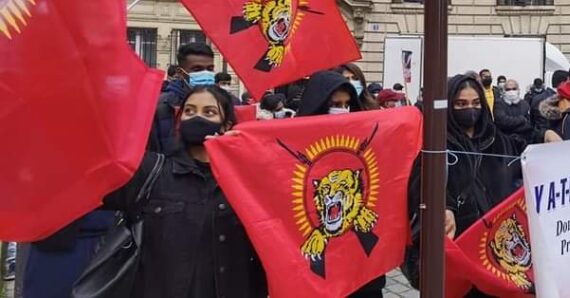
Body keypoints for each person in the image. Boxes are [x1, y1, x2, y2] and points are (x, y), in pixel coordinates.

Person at [100, 86, 267, 297]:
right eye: (189, 111)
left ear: (226, 125)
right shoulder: (151, 171)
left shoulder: (245, 181)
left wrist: (248, 156)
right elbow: (98, 182)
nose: (197, 117)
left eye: (209, 112)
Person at [402, 75, 521, 293]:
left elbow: (519, 163)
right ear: (449, 105)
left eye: (476, 103)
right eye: (461, 104)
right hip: (458, 245)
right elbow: (419, 184)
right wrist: (444, 206)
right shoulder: (433, 142)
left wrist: (546, 135)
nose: (470, 109)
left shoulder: (496, 139)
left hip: (496, 249)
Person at [294, 71, 386, 296]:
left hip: (362, 276)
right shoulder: (294, 144)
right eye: (335, 105)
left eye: (347, 104)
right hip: (317, 281)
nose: (343, 110)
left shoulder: (361, 141)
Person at [152, 42, 217, 154]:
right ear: (180, 72)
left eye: (210, 69)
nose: (205, 74)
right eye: (197, 69)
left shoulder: (225, 103)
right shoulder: (162, 105)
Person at [494, 79, 533, 148]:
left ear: (518, 90)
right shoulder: (498, 103)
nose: (511, 91)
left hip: (523, 141)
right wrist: (521, 119)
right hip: (505, 143)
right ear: (504, 91)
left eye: (514, 89)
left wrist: (511, 127)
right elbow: (502, 122)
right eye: (508, 89)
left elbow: (529, 124)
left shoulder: (524, 104)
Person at [533, 70, 569, 143]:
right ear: (563, 83)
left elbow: (532, 120)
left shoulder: (536, 98)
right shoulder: (561, 99)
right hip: (555, 139)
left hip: (539, 137)